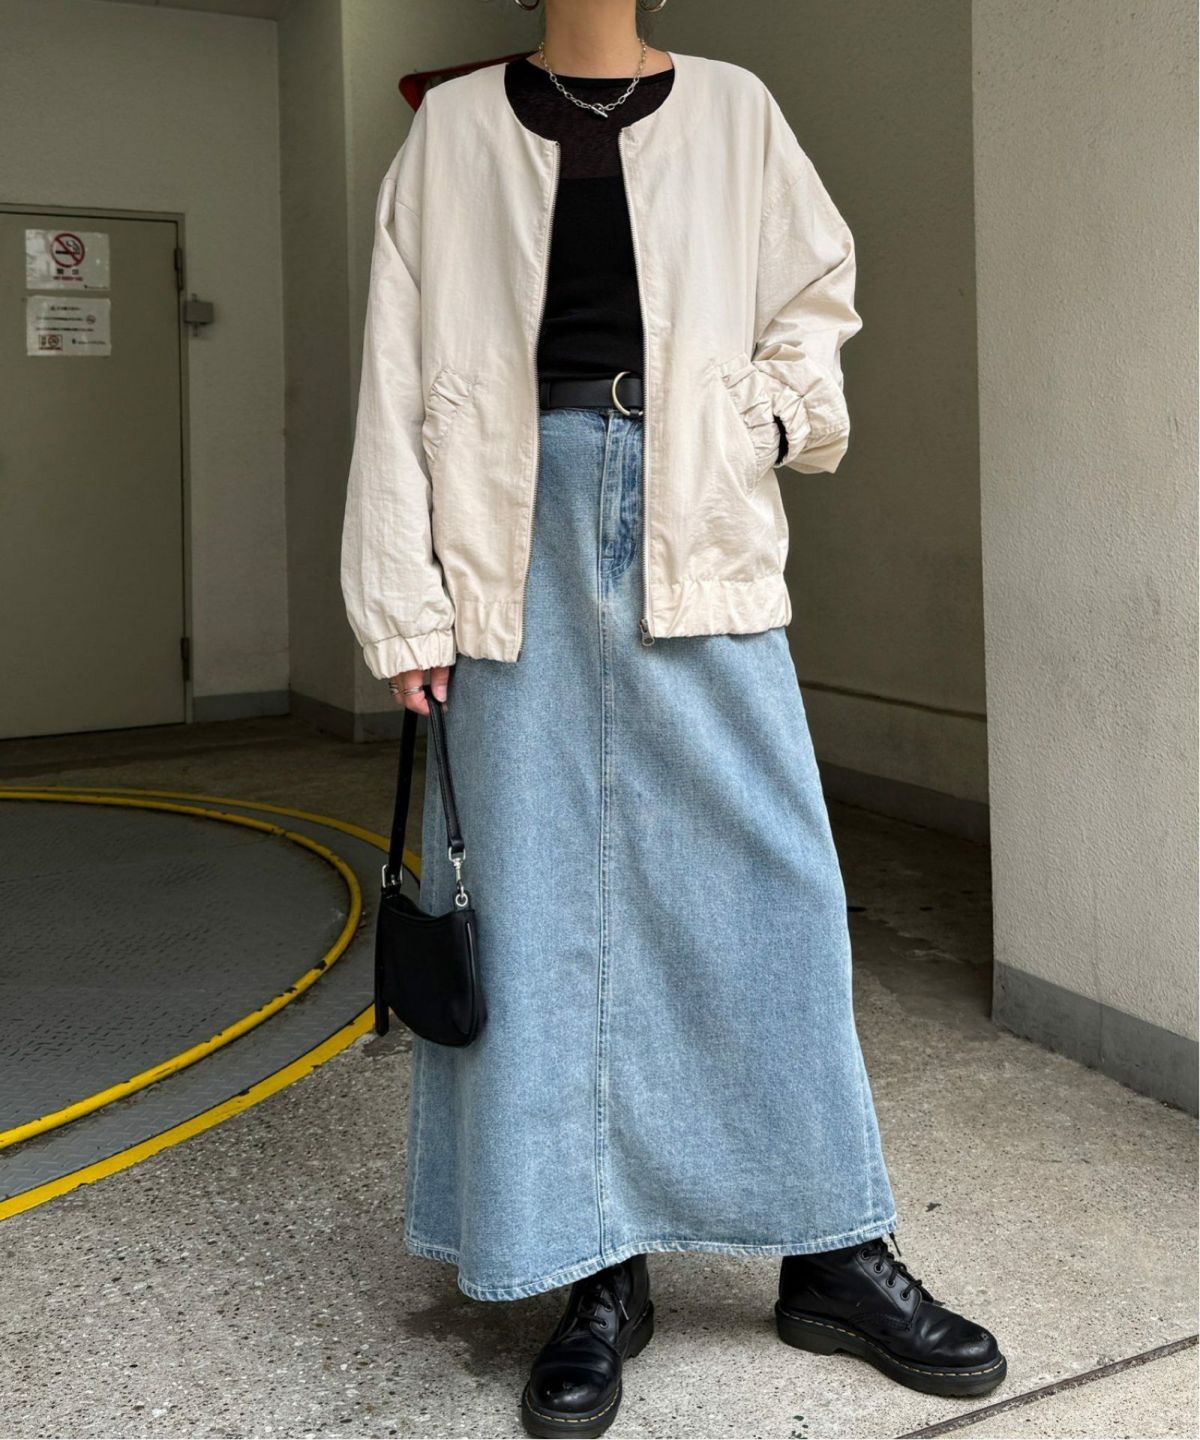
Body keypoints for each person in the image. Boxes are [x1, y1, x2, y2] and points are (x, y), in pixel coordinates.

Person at [340, 2, 1006, 1435]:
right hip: (504, 534)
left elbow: (813, 294)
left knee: (777, 887)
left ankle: (830, 1247)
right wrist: (402, 604)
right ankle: (592, 1267)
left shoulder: (734, 107)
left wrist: (763, 418)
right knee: (541, 909)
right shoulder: (451, 128)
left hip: (696, 510)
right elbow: (393, 370)